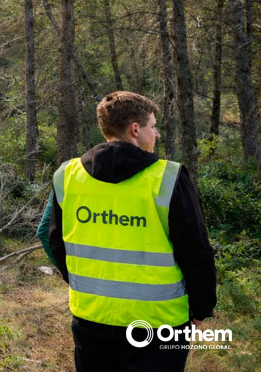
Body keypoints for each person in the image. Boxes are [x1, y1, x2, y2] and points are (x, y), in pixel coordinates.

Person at [38, 91, 216, 371]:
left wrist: (86, 287)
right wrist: (202, 307)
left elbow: (54, 241)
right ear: (135, 129)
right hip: (159, 322)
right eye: (153, 126)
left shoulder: (67, 175)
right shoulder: (167, 178)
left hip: (91, 317)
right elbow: (195, 250)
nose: (156, 134)